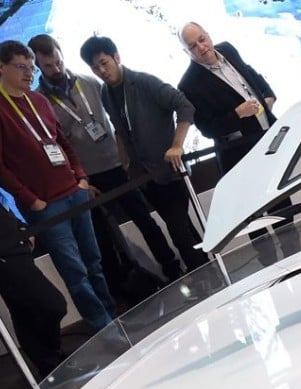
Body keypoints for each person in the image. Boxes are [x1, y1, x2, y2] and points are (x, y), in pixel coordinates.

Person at [28, 34, 185, 285]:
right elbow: (55, 147)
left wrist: (127, 161)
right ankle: (123, 290)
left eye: (58, 61)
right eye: (48, 66)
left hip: (117, 167)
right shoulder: (40, 102)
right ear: (38, 66)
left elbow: (118, 124)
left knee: (146, 221)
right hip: (87, 180)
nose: (56, 69)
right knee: (103, 238)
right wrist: (78, 179)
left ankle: (172, 267)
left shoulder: (91, 82)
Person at [0, 40, 116, 333]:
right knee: (74, 271)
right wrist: (31, 200)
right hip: (45, 205)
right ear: (1, 68)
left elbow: (61, 142)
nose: (29, 74)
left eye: (32, 68)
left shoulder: (39, 101)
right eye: (21, 68)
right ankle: (102, 326)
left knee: (94, 260)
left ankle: (114, 315)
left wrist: (81, 177)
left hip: (74, 192)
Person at [79, 36, 208, 272]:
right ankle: (209, 271)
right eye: (95, 67)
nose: (101, 70)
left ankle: (204, 280)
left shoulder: (144, 82)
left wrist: (177, 145)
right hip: (145, 176)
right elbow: (121, 130)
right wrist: (125, 164)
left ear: (116, 57)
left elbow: (185, 106)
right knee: (183, 228)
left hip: (170, 169)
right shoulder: (107, 93)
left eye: (104, 63)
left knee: (179, 233)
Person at [177, 22, 301, 265]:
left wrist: (267, 97)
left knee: (281, 198)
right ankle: (271, 266)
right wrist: (237, 114)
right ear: (186, 52)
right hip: (238, 154)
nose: (201, 47)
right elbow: (206, 128)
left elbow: (252, 75)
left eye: (202, 39)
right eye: (193, 46)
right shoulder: (188, 84)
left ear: (209, 35)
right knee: (253, 214)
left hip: (269, 138)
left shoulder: (228, 50)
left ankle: (296, 254)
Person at [0, 194, 67, 378]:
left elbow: (5, 198)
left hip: (16, 243)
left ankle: (49, 365)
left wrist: (22, 227)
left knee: (23, 311)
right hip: (5, 253)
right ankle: (51, 358)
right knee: (54, 305)